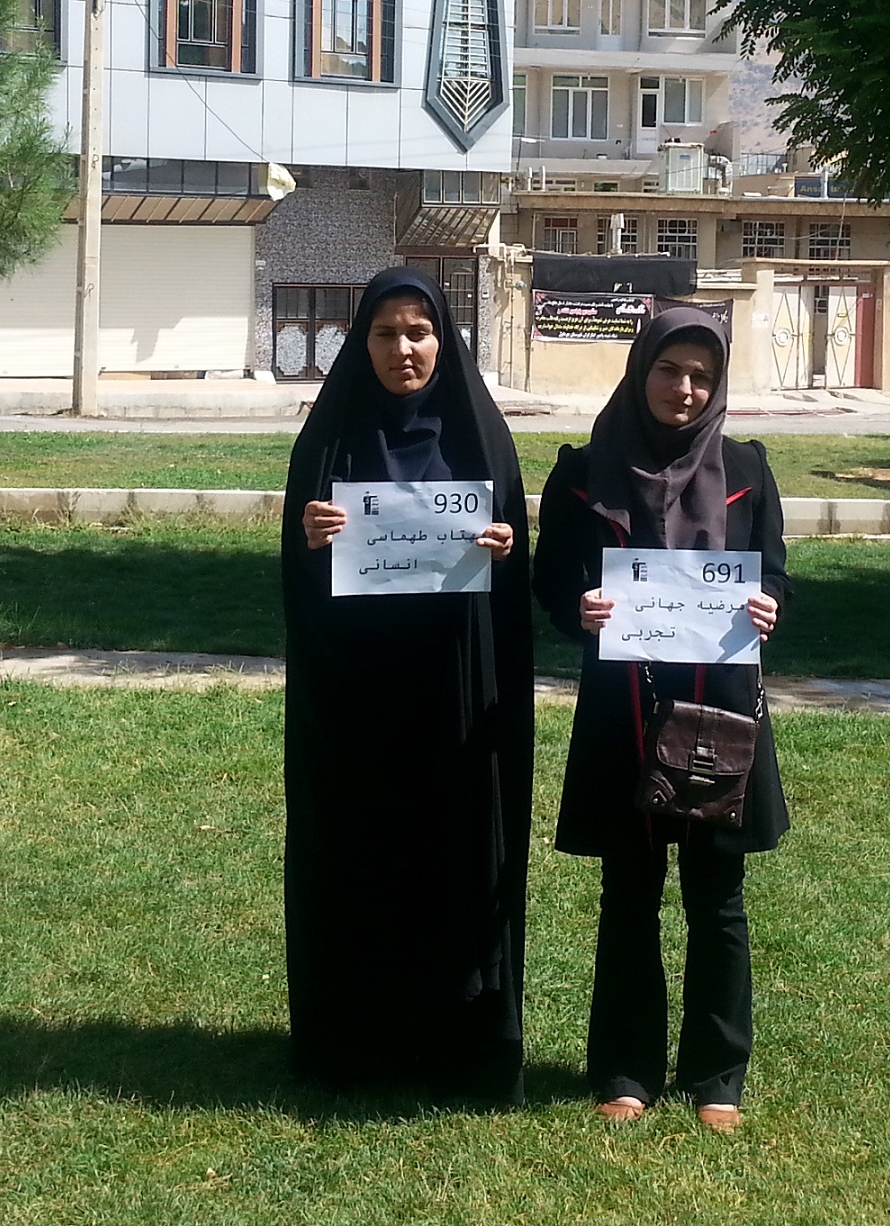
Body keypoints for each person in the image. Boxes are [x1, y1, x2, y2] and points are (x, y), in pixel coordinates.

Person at [532, 307, 790, 1133]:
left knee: (718, 898)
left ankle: (717, 1077)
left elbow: (775, 572)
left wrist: (769, 604)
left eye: (701, 376)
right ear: (641, 371)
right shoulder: (583, 471)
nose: (684, 389)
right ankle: (626, 1069)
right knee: (629, 894)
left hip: (721, 708)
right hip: (627, 712)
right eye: (669, 370)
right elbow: (550, 582)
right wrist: (580, 609)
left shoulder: (747, 468)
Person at [280, 267, 533, 1104]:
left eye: (418, 332)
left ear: (444, 341)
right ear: (363, 343)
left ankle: (458, 1037)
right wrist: (311, 540)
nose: (403, 349)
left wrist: (504, 548)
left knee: (455, 853)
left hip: (453, 697)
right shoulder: (329, 442)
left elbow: (516, 590)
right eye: (385, 333)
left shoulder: (481, 439)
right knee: (360, 855)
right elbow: (296, 582)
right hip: (358, 697)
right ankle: (355, 1038)